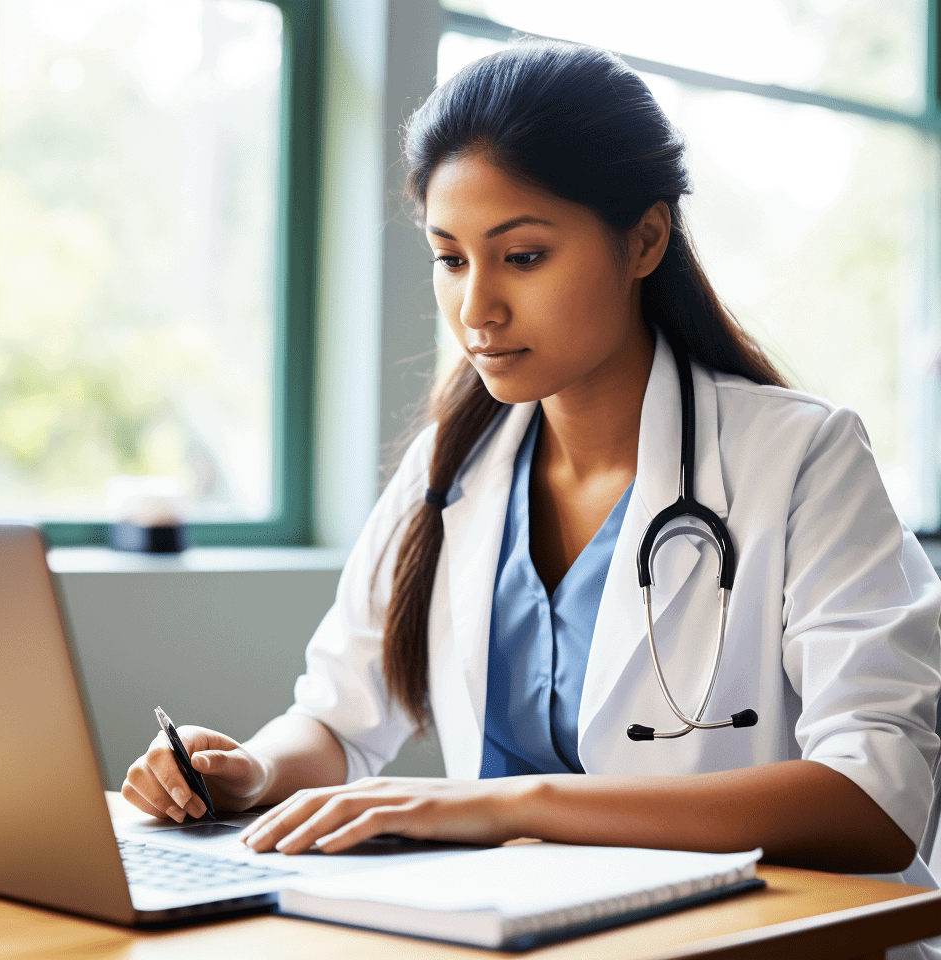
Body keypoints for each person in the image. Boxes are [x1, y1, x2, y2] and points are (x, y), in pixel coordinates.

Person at [122, 37, 941, 954]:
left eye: (522, 256)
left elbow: (877, 798)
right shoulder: (451, 464)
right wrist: (245, 772)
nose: (477, 309)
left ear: (644, 240)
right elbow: (337, 719)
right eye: (450, 258)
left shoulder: (800, 457)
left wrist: (501, 804)